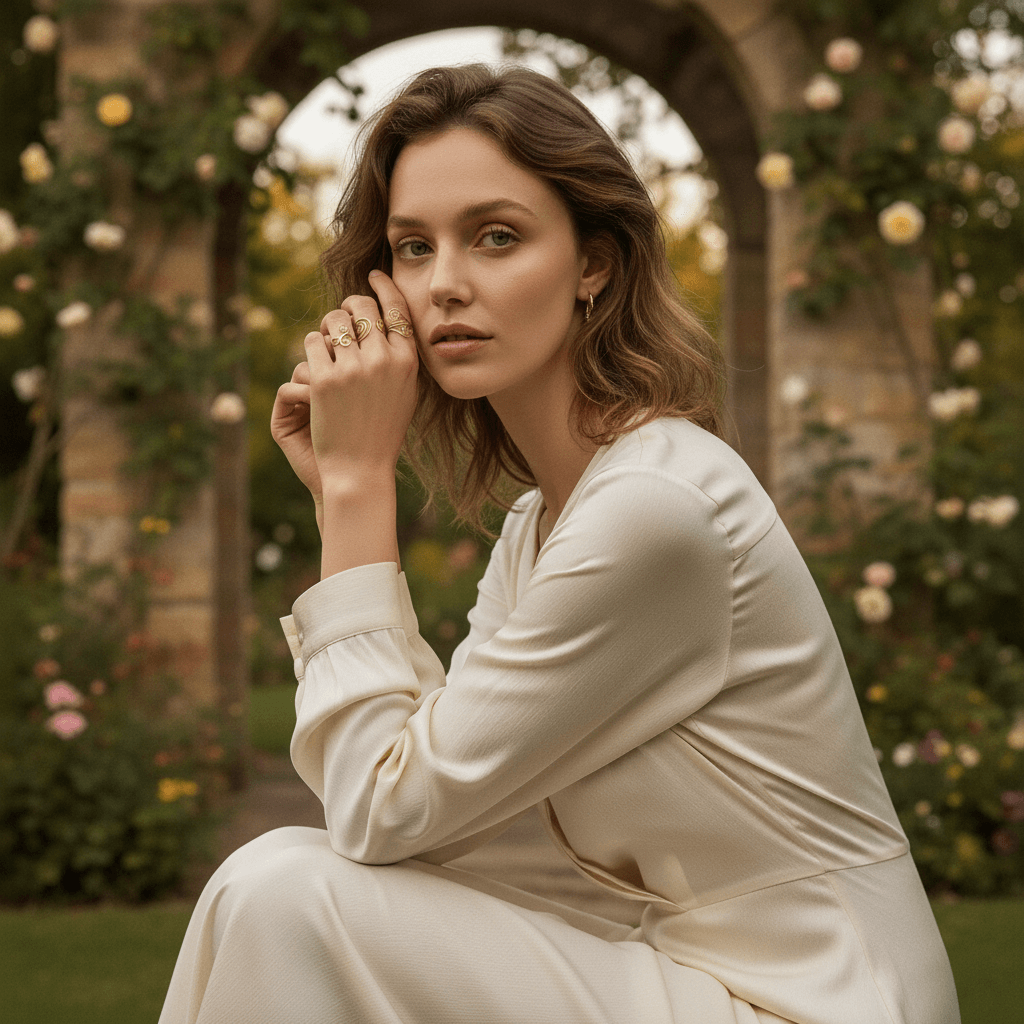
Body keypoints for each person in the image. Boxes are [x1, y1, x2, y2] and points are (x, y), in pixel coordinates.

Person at [159, 65, 960, 1024]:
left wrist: (361, 483)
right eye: (413, 247)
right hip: (679, 971)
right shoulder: (543, 524)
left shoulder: (657, 509)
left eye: (496, 236)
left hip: (814, 1001)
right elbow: (430, 815)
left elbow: (382, 810)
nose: (445, 282)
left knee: (284, 893)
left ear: (595, 264)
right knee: (283, 876)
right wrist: (341, 501)